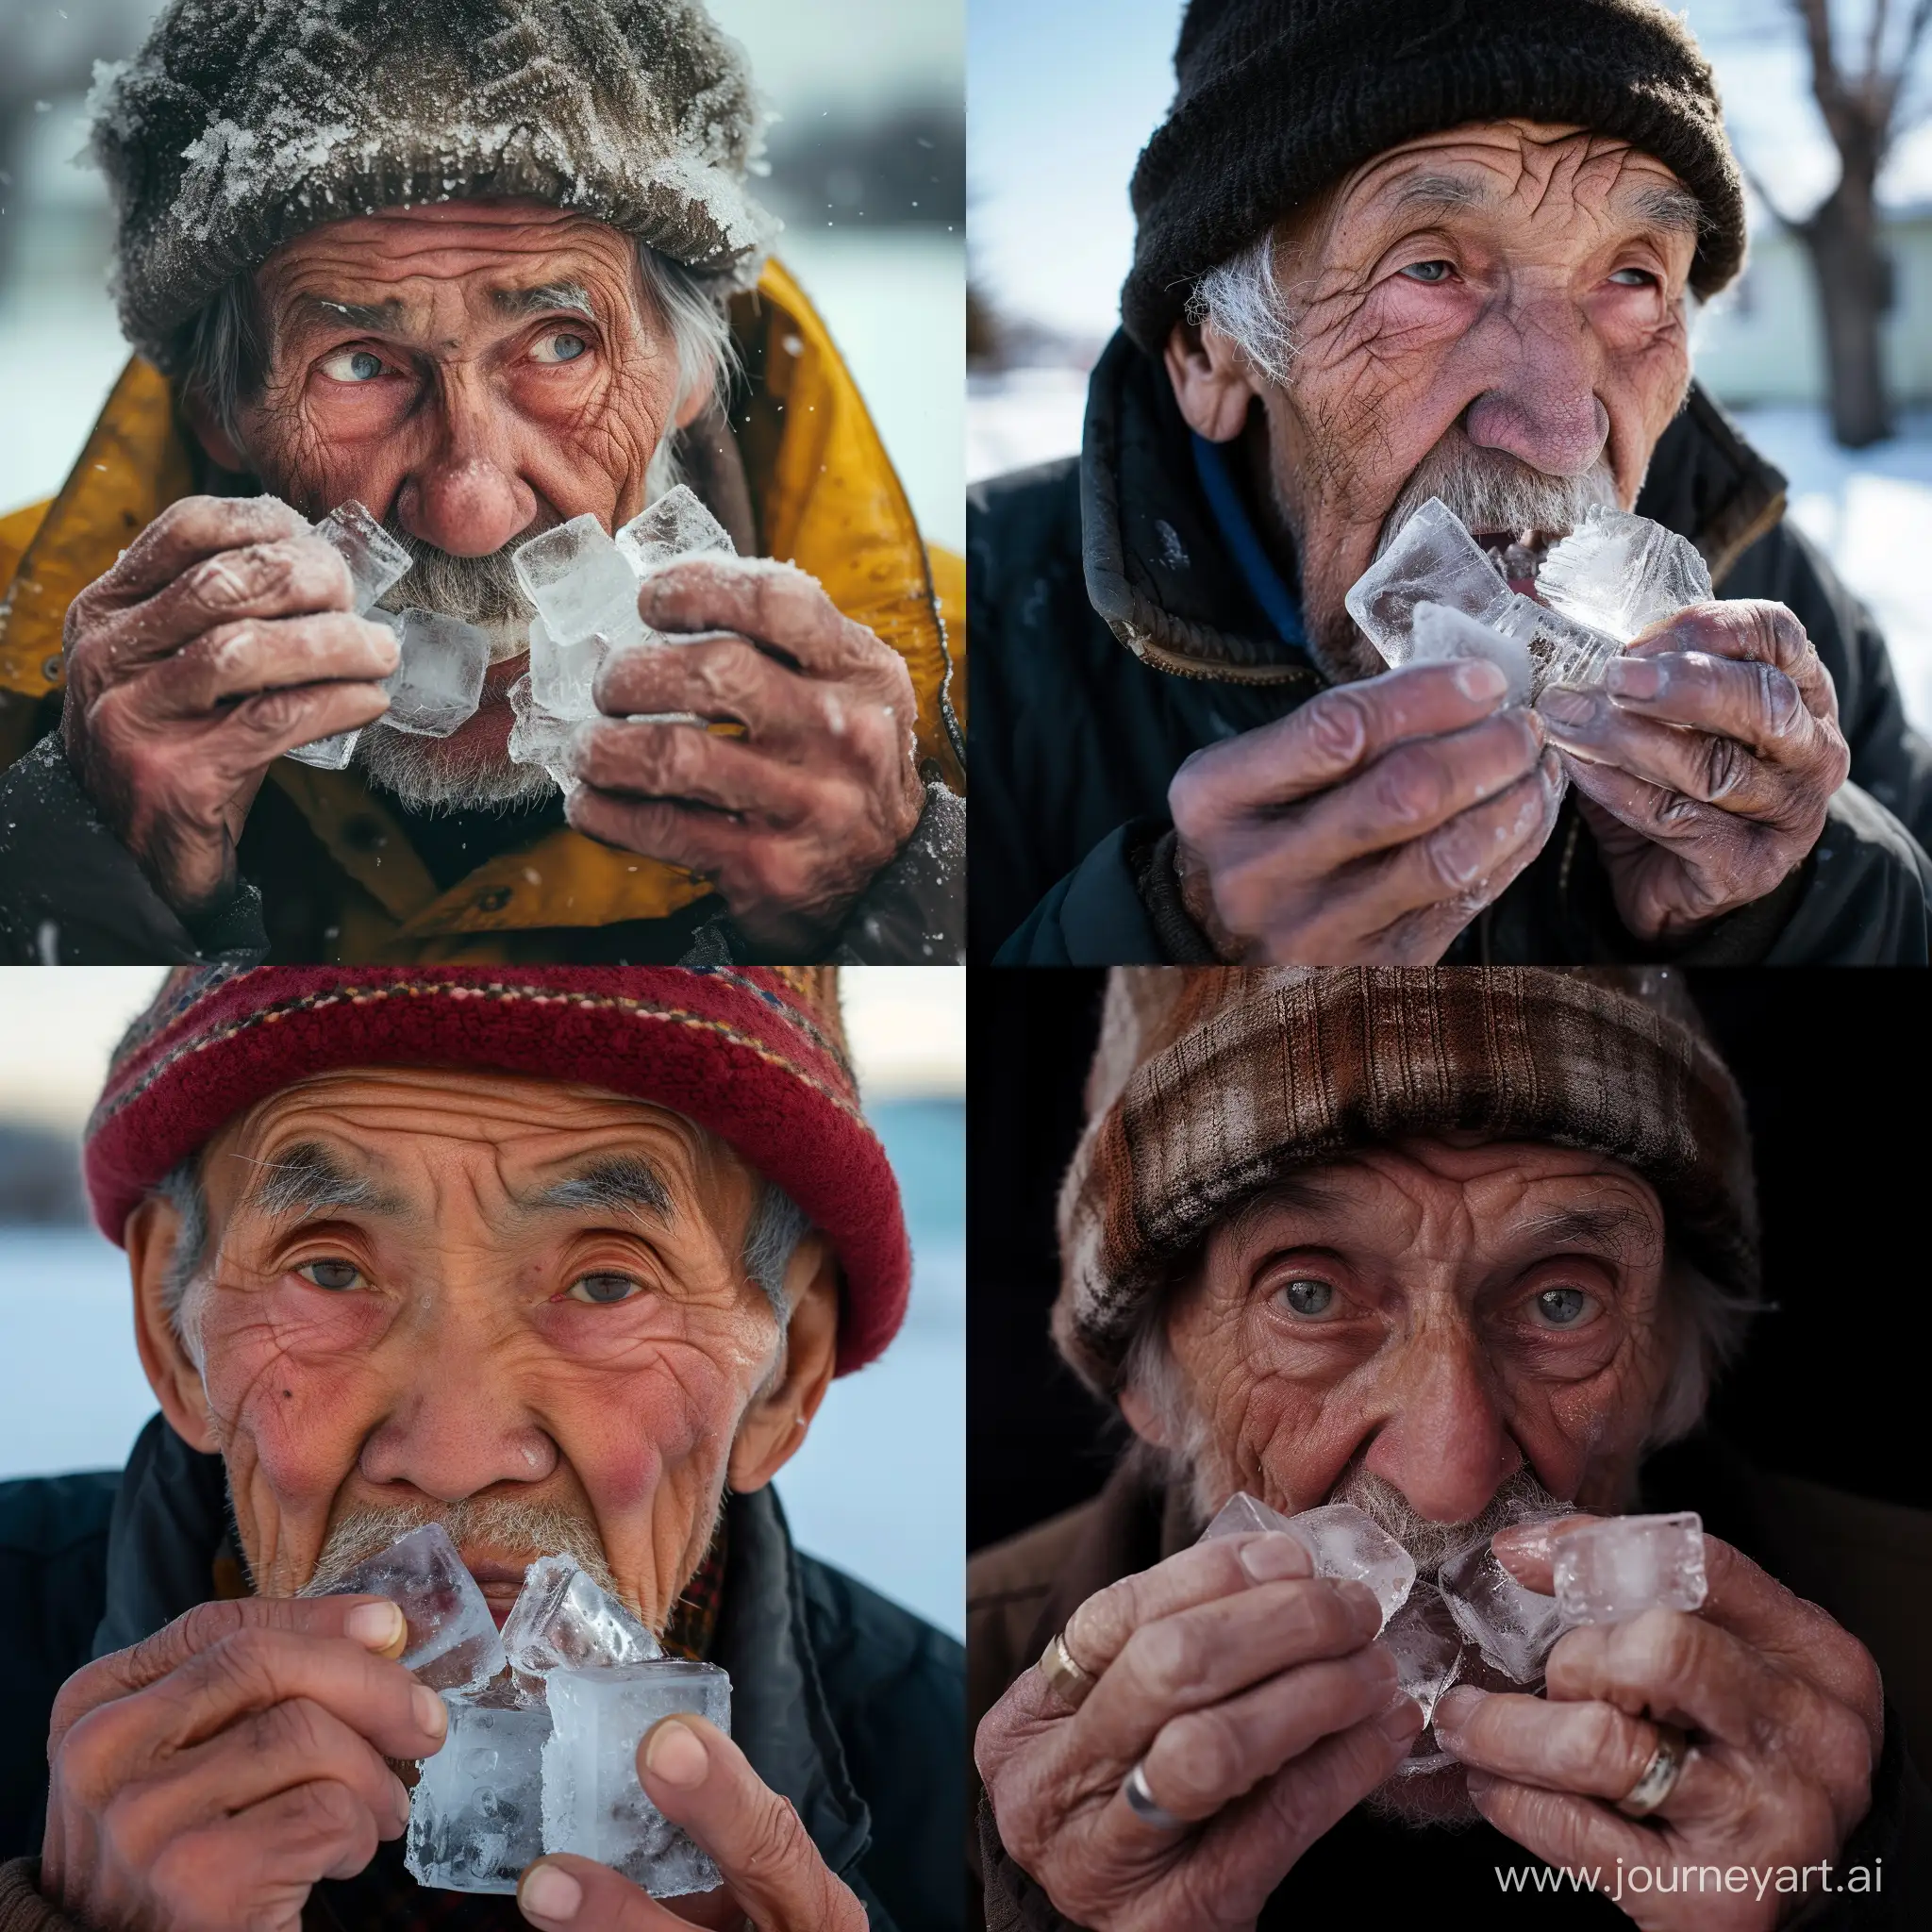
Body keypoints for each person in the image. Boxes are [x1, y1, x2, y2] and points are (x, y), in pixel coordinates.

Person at [0, 0, 965, 966]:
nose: (469, 511)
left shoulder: (977, 681)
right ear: (219, 405)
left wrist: (892, 889)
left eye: (557, 344)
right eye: (359, 363)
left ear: (689, 369)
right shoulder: (18, 668)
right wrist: (85, 860)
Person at [0, 964, 961, 1931]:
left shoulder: (969, 1785)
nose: (454, 1454)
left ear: (784, 1371)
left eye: (606, 1283)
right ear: (174, 1333)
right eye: (330, 1269)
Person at [971, 0, 1932, 965]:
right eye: (1429, 269)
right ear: (1207, 357)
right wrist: (1172, 943)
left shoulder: (1781, 608)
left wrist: (1784, 901)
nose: (1560, 433)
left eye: (1631, 277)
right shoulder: (969, 637)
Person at [969, 967, 1932, 1928]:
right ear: (1146, 1380)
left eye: (1562, 1300)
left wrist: (1852, 1890)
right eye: (1306, 1295)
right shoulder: (958, 1671)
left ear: (1677, 1370)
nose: (1446, 1477)